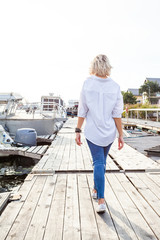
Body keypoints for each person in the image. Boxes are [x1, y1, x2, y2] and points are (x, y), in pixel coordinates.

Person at [75, 54, 124, 213]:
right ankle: (96, 191)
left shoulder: (87, 83)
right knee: (101, 162)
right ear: (108, 66)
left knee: (98, 162)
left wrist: (78, 130)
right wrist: (120, 135)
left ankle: (100, 199)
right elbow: (117, 114)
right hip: (109, 132)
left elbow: (82, 110)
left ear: (93, 66)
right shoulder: (115, 86)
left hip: (93, 132)